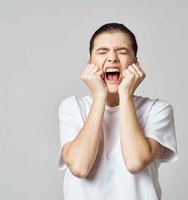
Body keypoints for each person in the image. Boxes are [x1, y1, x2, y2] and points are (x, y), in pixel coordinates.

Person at [56, 22, 178, 200]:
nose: (112, 58)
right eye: (102, 52)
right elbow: (79, 167)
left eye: (122, 51)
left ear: (135, 63)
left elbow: (135, 162)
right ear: (90, 63)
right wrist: (99, 96)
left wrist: (125, 94)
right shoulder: (72, 107)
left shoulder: (157, 110)